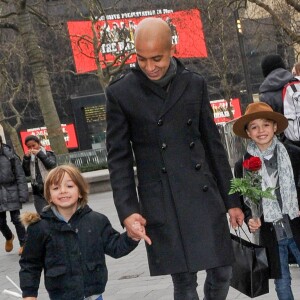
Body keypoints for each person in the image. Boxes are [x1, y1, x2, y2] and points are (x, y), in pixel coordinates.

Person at [105, 17, 244, 300]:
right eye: (142, 59)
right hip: (163, 202)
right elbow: (118, 158)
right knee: (184, 282)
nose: (150, 66)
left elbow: (213, 145)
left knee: (222, 271)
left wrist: (232, 200)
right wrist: (128, 210)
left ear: (172, 50)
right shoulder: (121, 93)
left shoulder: (194, 84)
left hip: (204, 197)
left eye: (157, 58)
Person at [19, 164, 139, 300]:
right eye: (56, 188)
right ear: (49, 196)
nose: (63, 191)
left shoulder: (96, 220)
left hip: (94, 294)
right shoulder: (39, 227)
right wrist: (29, 294)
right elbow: (30, 264)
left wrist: (131, 236)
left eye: (69, 186)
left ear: (80, 192)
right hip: (61, 296)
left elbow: (115, 246)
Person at [233, 102, 300, 300]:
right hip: (270, 231)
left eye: (266, 125)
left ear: (275, 127)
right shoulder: (244, 164)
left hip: (295, 223)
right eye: (254, 126)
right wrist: (249, 218)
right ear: (247, 132)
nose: (261, 130)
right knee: (282, 282)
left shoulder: (294, 154)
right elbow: (243, 200)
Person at [0, 136, 29, 255]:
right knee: (0, 222)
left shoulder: (10, 155)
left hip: (12, 190)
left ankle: (24, 244)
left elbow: (20, 175)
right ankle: (9, 237)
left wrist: (23, 194)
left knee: (17, 219)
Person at [22, 135, 56, 214]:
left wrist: (40, 154)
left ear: (39, 144)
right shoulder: (29, 157)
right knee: (42, 215)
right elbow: (26, 173)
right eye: (29, 147)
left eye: (34, 145)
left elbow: (52, 165)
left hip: (51, 188)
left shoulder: (48, 153)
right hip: (37, 191)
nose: (32, 149)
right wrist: (26, 159)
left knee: (55, 213)